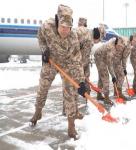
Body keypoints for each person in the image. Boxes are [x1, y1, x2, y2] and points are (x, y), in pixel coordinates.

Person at [30, 4, 87, 139]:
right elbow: (41, 38)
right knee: (43, 88)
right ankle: (37, 112)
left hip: (66, 64)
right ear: (57, 22)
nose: (65, 31)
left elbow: (77, 61)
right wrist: (44, 50)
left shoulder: (73, 38)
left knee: (69, 92)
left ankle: (71, 127)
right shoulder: (46, 26)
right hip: (51, 61)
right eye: (62, 27)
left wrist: (81, 81)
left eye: (68, 28)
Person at [94, 37, 124, 105]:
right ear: (116, 45)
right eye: (119, 46)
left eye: (121, 47)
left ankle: (99, 95)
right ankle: (106, 98)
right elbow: (110, 65)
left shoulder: (115, 42)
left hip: (103, 56)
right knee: (105, 77)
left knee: (101, 77)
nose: (120, 48)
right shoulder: (111, 49)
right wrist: (113, 76)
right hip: (99, 58)